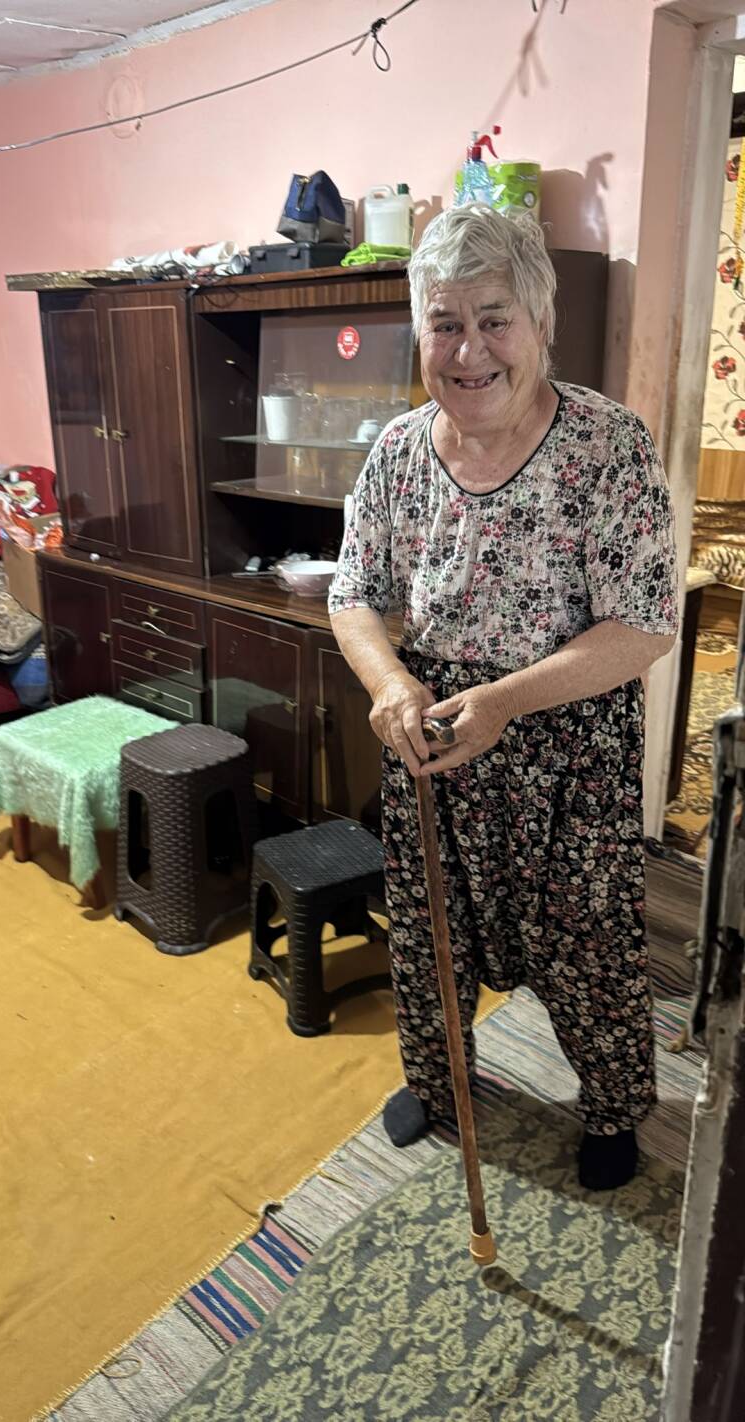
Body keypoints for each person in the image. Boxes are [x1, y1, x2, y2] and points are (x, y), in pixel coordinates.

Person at [327, 206, 679, 1191]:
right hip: (433, 737)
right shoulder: (398, 450)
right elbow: (353, 593)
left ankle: (610, 1104)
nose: (468, 350)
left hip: (567, 746)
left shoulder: (606, 446)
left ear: (540, 323)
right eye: (444, 324)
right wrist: (389, 683)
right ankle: (439, 1083)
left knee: (584, 941)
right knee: (428, 933)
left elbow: (645, 626)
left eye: (494, 320)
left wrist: (505, 703)